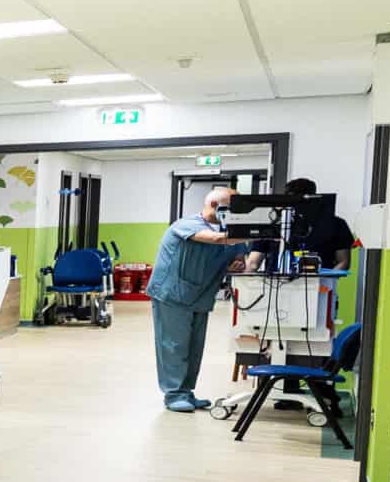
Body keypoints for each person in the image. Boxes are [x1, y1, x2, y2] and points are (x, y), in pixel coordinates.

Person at [147, 186, 262, 413]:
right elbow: (217, 239)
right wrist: (258, 230)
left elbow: (239, 259)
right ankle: (174, 394)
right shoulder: (186, 225)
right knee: (173, 346)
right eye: (232, 208)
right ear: (214, 206)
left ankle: (187, 392)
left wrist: (236, 266)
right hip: (172, 294)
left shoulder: (231, 233)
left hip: (201, 295)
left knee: (194, 347)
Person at [282, 177, 357, 270]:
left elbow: (343, 261)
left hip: (322, 281)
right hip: (278, 281)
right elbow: (257, 260)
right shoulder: (281, 225)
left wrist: (326, 280)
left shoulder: (337, 224)